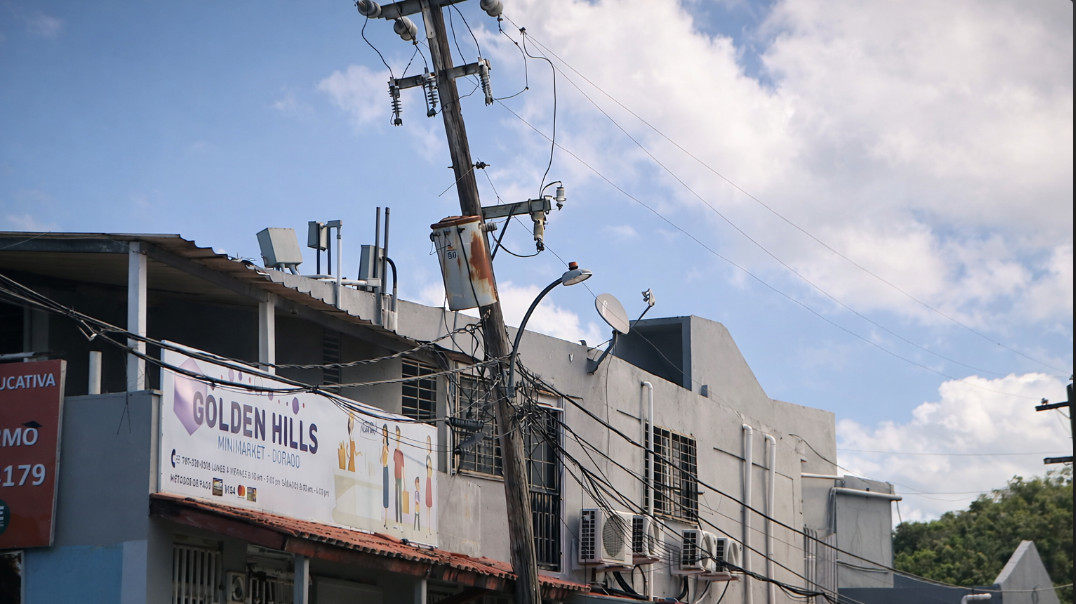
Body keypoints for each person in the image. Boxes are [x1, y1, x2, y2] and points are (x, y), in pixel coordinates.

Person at [393, 426, 404, 524]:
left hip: (400, 477)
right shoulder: (395, 451)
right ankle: (397, 521)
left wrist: (404, 482)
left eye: (398, 435)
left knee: (400, 499)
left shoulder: (401, 453)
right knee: (396, 498)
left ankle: (400, 521)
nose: (397, 437)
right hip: (396, 477)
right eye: (396, 435)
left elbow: (403, 468)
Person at [380, 425, 389, 526]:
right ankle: (384, 520)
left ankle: (386, 520)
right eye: (383, 431)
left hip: (386, 469)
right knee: (383, 495)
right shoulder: (383, 446)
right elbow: (381, 459)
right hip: (383, 469)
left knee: (386, 496)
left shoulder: (386, 446)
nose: (383, 433)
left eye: (385, 432)